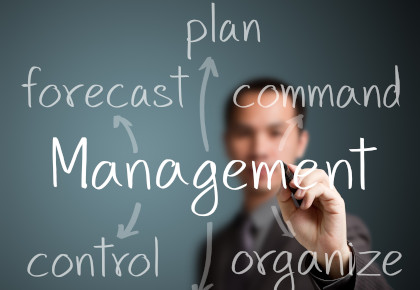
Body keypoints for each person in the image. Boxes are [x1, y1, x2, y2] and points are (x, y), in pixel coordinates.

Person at [197, 78, 392, 289]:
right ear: (227, 143)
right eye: (245, 133)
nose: (259, 149)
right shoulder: (214, 249)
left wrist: (335, 259)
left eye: (276, 133)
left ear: (301, 143)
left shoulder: (335, 230)